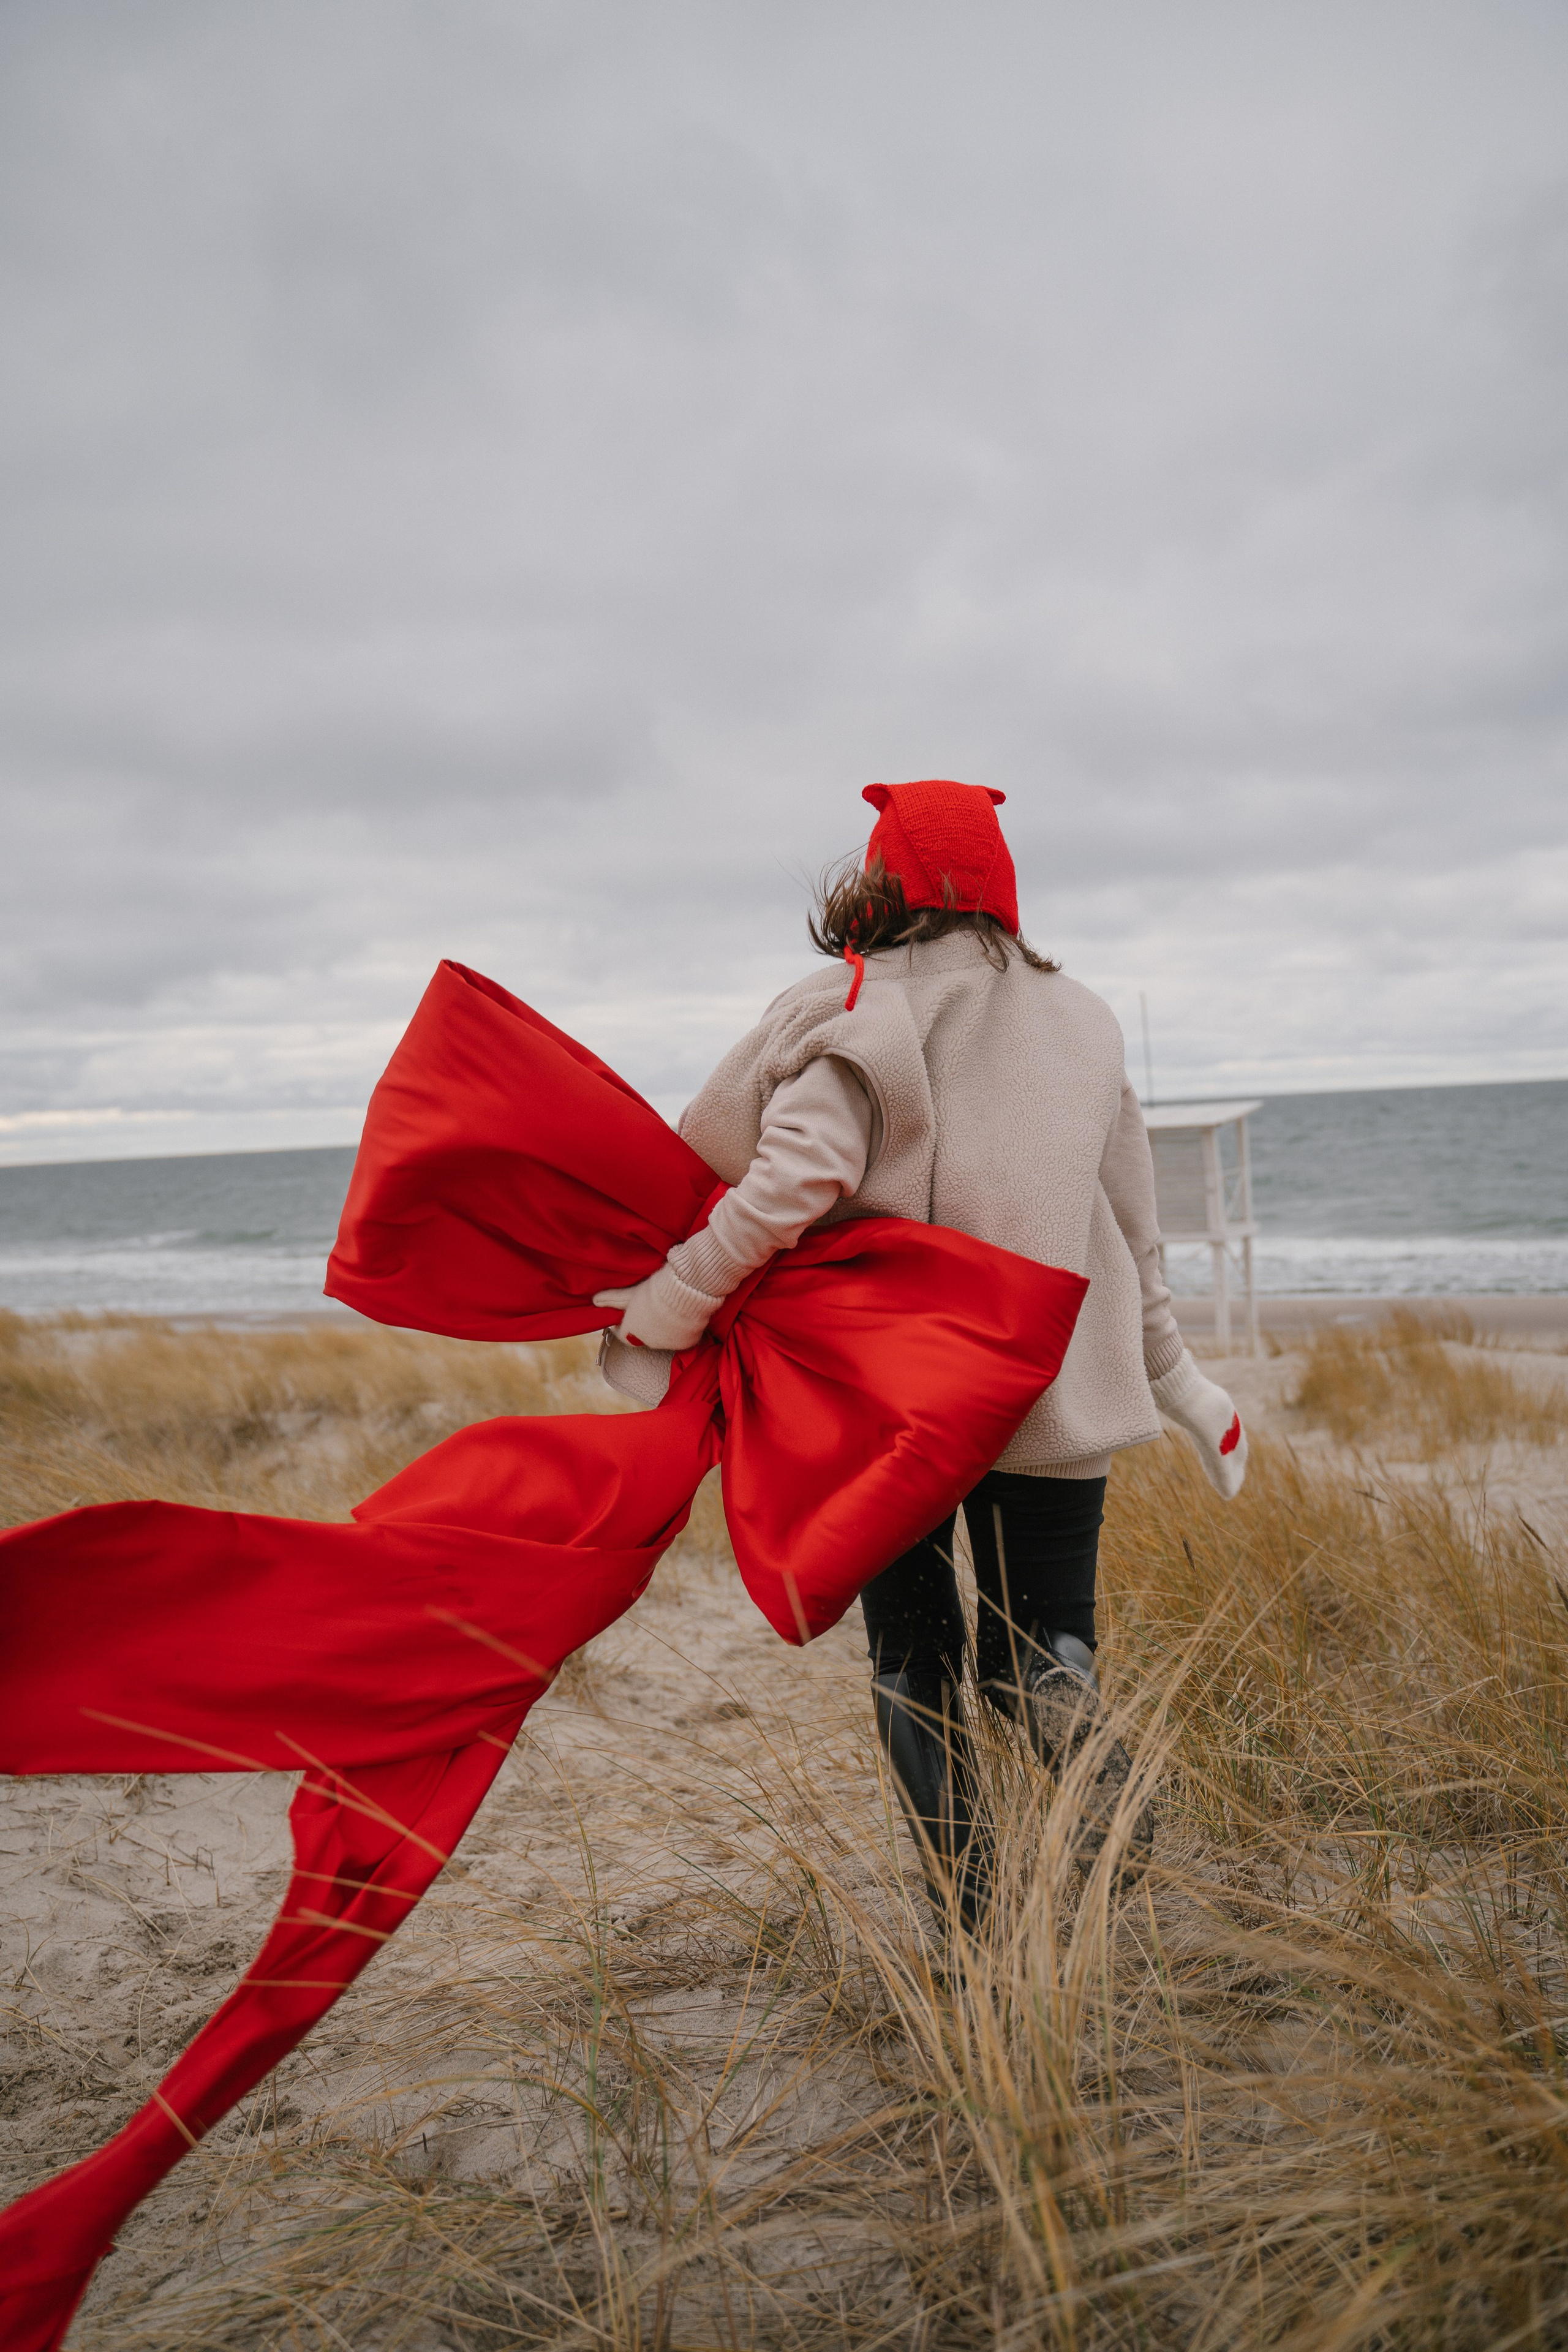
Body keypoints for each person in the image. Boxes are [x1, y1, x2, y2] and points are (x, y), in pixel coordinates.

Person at [594, 779, 1247, 1921]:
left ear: (877, 882)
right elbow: (1132, 1221)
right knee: (1046, 1642)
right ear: (1002, 887)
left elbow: (785, 1178)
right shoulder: (1085, 1020)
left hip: (891, 1396)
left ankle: (971, 1917)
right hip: (1049, 1380)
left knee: (913, 1653)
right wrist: (1175, 1376)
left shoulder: (851, 1002)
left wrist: (676, 1301)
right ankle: (1094, 1822)